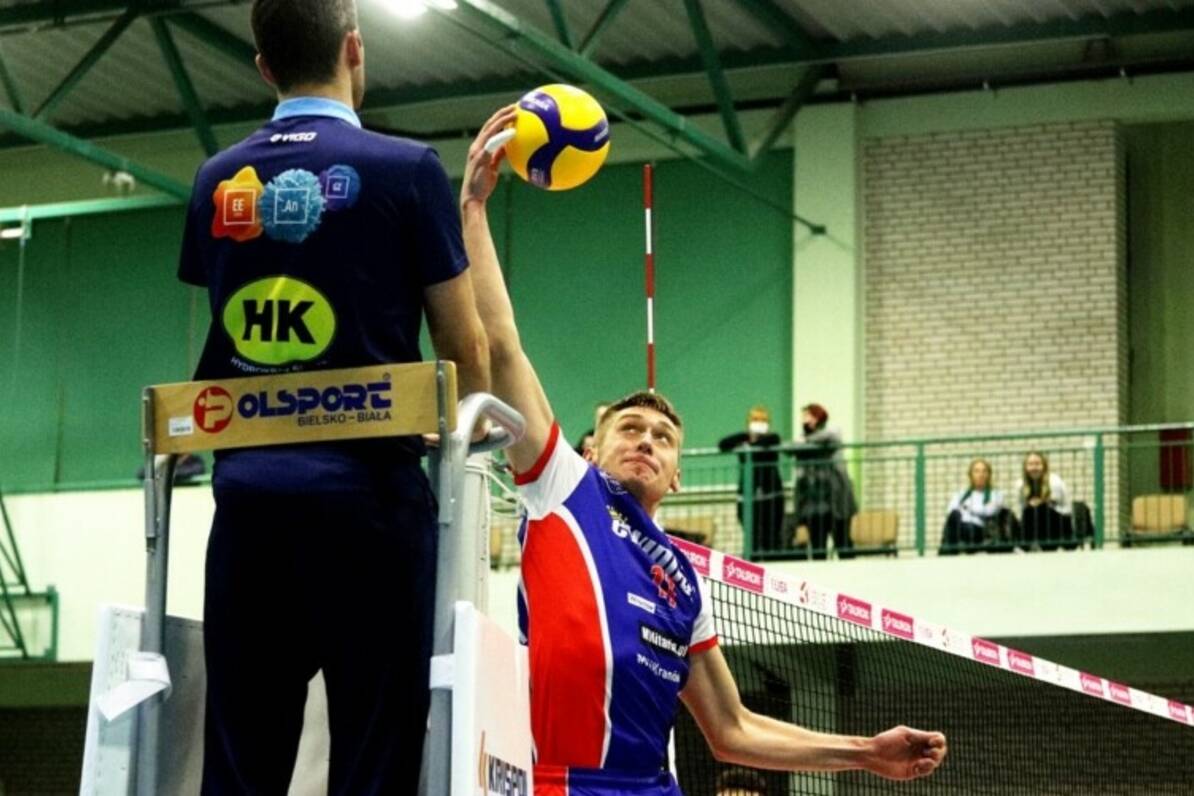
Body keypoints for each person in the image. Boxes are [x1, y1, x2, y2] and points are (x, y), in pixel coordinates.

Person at [461, 107, 946, 796]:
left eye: (662, 438)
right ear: (592, 449)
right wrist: (474, 210)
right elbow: (502, 346)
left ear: (679, 476)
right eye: (629, 429)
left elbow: (733, 728)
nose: (646, 441)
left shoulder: (684, 582)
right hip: (563, 783)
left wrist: (865, 751)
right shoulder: (564, 489)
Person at [177, 1, 490, 792]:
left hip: (248, 505)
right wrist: (460, 428)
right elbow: (466, 347)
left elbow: (224, 324)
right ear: (355, 48)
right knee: (374, 756)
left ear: (264, 67)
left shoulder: (217, 181)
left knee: (241, 762)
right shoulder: (407, 169)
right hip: (370, 506)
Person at [792, 404, 857, 560]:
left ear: (817, 417)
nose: (804, 420)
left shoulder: (830, 434)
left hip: (836, 501)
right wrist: (803, 442)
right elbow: (790, 449)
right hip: (814, 505)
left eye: (807, 416)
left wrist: (804, 441)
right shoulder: (803, 442)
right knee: (818, 548)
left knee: (843, 543)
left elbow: (829, 437)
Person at [718, 406, 786, 557]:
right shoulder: (744, 439)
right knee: (751, 536)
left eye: (762, 420)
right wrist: (746, 437)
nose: (759, 423)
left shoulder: (772, 438)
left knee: (771, 537)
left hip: (771, 497)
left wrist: (749, 445)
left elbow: (766, 442)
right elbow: (723, 444)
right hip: (748, 496)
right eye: (755, 420)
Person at [939, 459, 1004, 555]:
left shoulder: (996, 494)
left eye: (984, 471)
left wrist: (967, 507)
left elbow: (989, 511)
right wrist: (974, 508)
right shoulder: (961, 494)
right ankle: (947, 553)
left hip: (979, 529)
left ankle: (945, 552)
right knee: (954, 516)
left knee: (961, 527)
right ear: (970, 475)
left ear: (989, 475)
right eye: (976, 471)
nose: (981, 475)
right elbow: (951, 510)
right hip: (960, 526)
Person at [1019, 451, 1073, 551]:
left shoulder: (1054, 481)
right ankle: (1027, 545)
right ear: (1025, 467)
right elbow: (1022, 507)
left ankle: (1049, 544)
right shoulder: (1021, 484)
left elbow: (1054, 503)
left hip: (1060, 520)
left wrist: (1039, 502)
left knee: (1041, 509)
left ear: (1044, 466)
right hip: (1037, 521)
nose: (1034, 468)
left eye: (1037, 464)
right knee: (1028, 511)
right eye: (1030, 464)